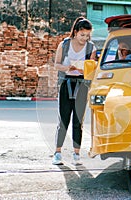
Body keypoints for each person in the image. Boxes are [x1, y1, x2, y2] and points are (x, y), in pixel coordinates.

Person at [52, 17, 96, 165]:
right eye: (82, 35)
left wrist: (85, 69)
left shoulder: (91, 47)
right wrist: (67, 68)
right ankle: (57, 153)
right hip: (66, 82)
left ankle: (76, 154)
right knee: (64, 120)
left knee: (78, 121)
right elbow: (57, 65)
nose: (84, 38)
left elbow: (92, 69)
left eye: (87, 35)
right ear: (76, 32)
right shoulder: (64, 45)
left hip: (82, 84)